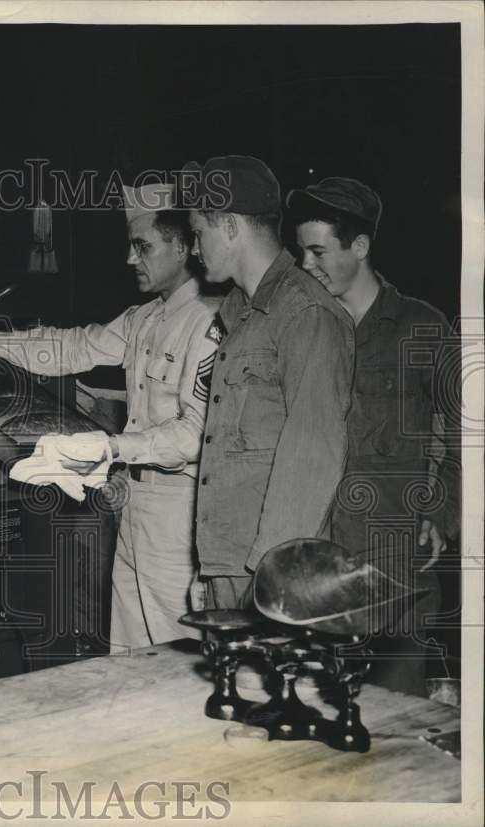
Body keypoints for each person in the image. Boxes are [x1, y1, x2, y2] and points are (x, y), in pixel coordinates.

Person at [0, 184, 221, 649]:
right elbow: (75, 346)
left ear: (183, 245)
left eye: (142, 246)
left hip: (181, 515)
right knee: (129, 651)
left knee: (182, 655)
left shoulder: (208, 323)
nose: (131, 259)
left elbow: (196, 434)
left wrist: (110, 447)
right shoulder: (145, 317)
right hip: (135, 502)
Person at [287, 176, 460, 694]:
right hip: (319, 560)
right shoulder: (307, 327)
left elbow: (465, 430)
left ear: (359, 247)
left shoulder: (420, 326)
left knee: (395, 719)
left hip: (396, 560)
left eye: (318, 252)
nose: (305, 266)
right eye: (301, 253)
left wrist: (442, 509)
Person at [188, 156, 355, 609]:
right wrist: (210, 571)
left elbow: (313, 452)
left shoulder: (305, 313)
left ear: (229, 228)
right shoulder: (239, 313)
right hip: (229, 562)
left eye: (197, 232)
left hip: (271, 571)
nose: (193, 248)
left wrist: (272, 577)